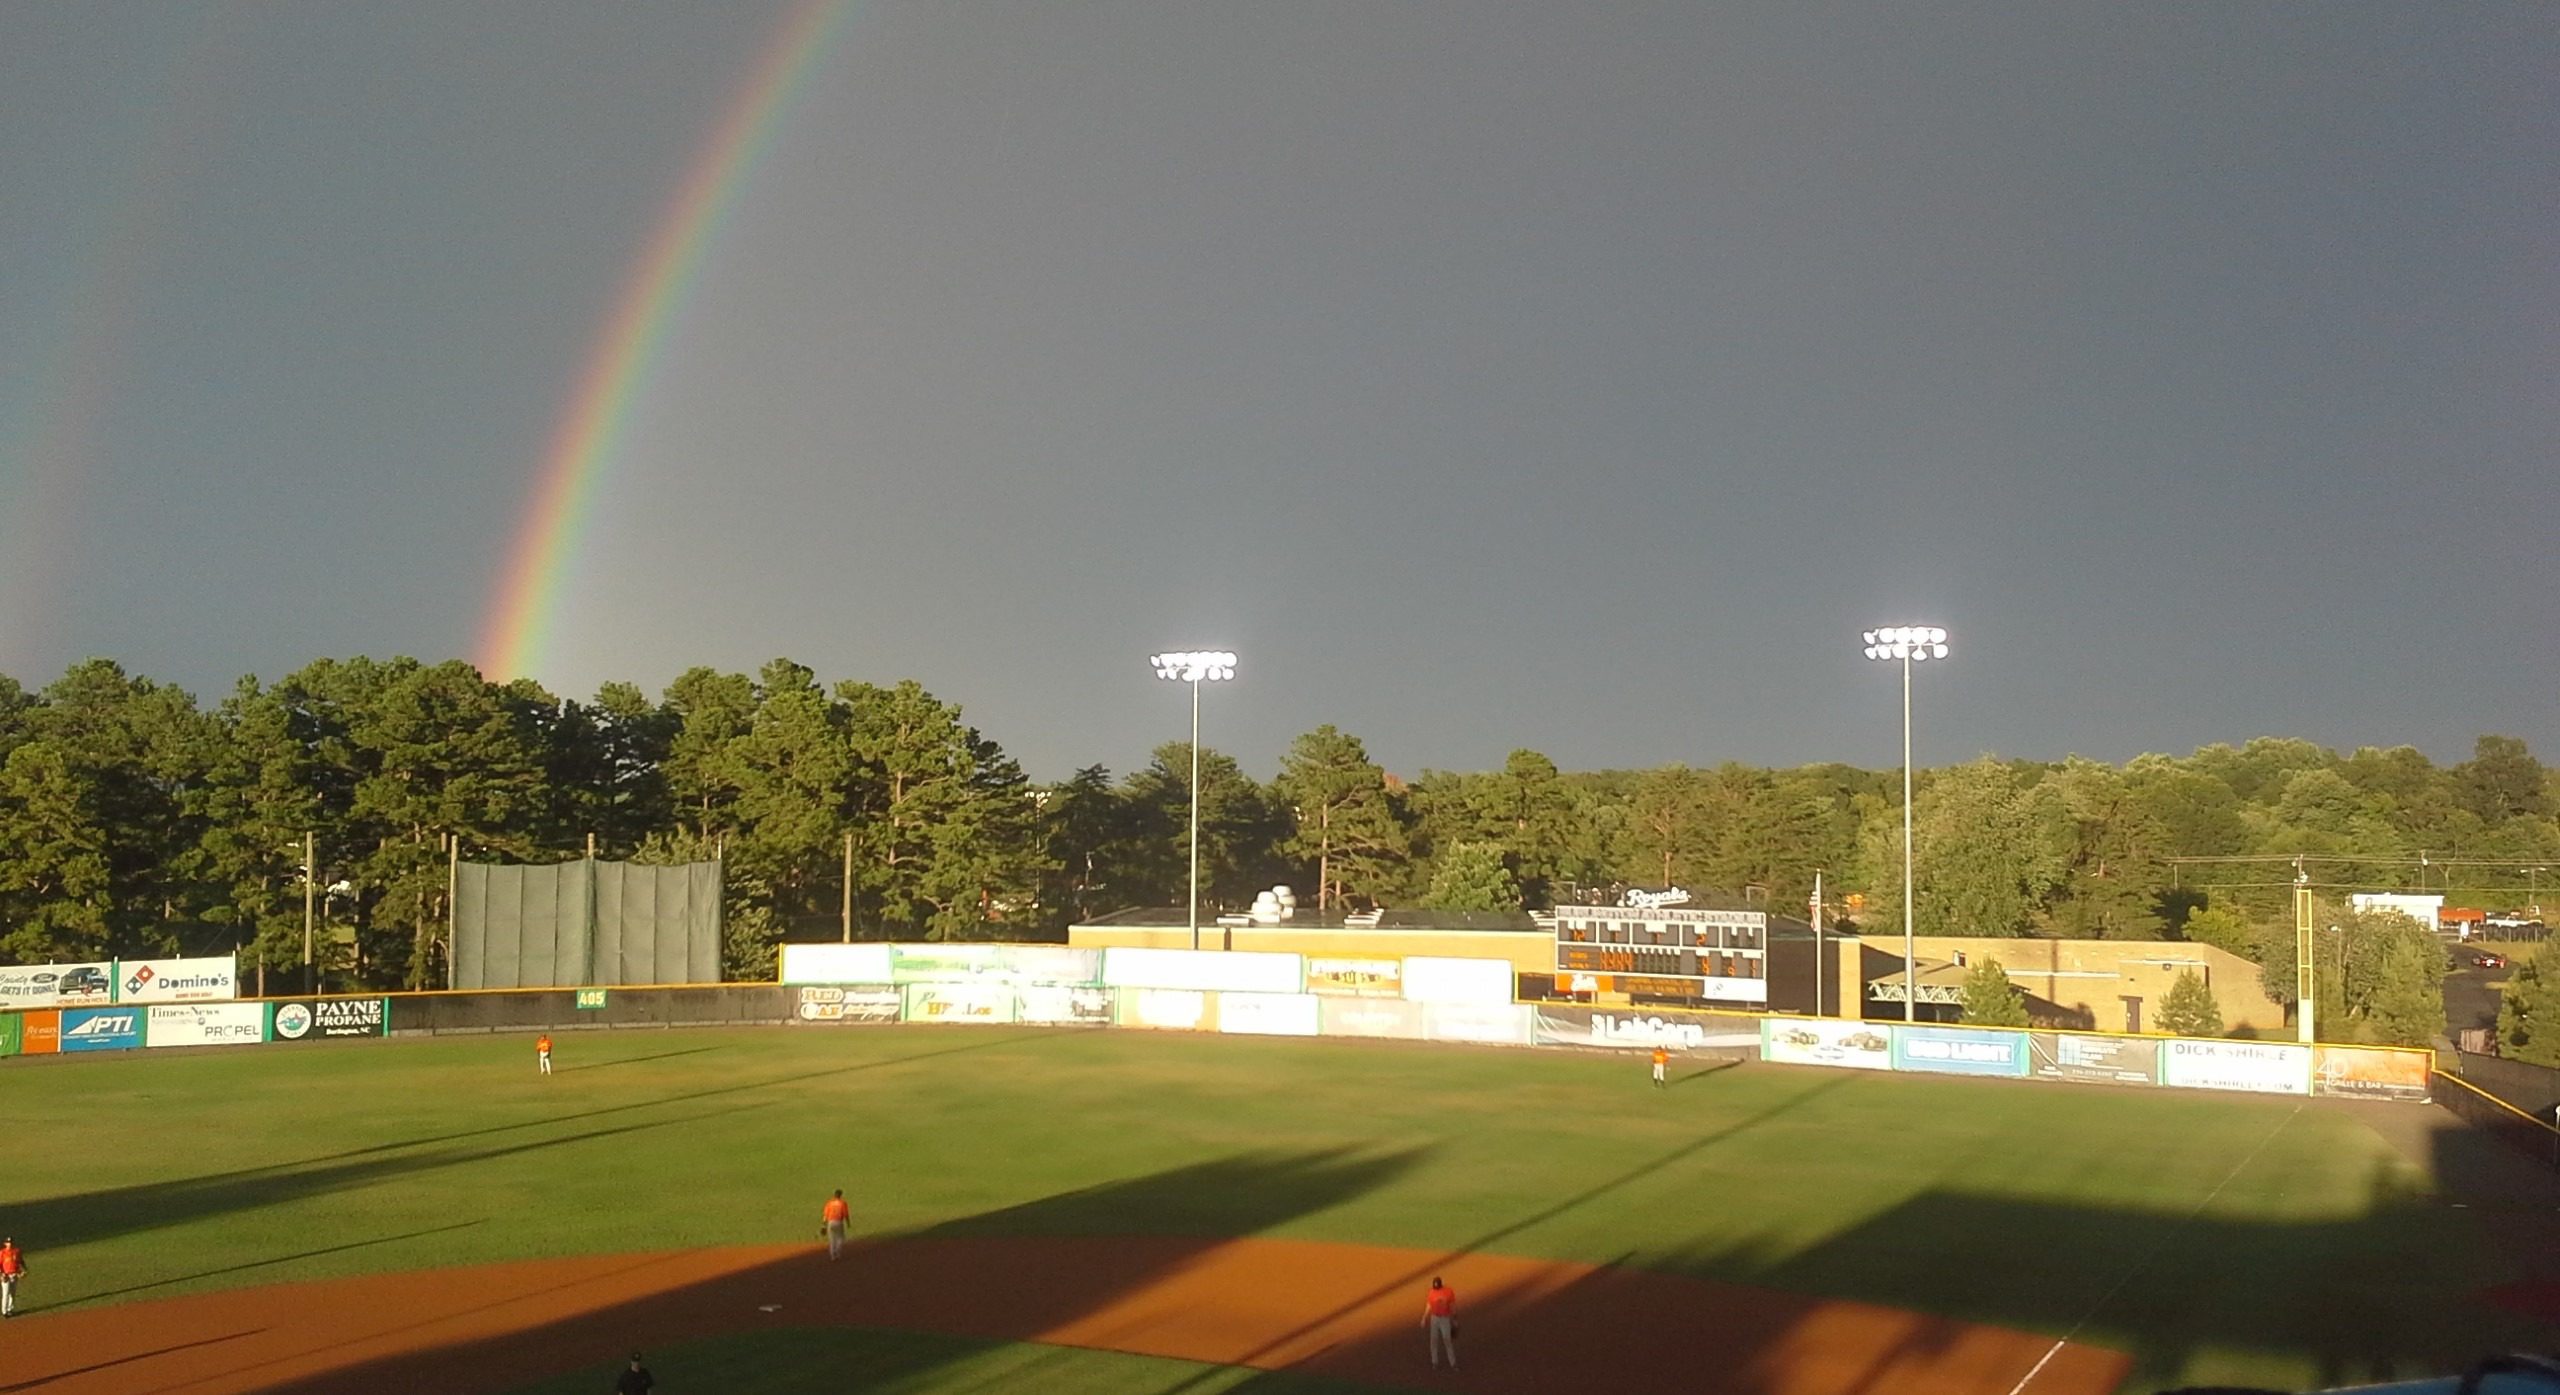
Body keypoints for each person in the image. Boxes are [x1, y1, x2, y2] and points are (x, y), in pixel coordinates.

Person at [1420, 1275, 1457, 1369]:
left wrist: (1454, 1319)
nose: (1436, 1288)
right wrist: (1424, 1317)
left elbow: (1452, 1306)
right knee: (1433, 1340)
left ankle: (1453, 1363)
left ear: (1441, 1285)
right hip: (1434, 1318)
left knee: (1447, 1340)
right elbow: (1429, 1305)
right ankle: (1434, 1362)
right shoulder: (1431, 1292)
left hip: (1445, 1319)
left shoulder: (1448, 1291)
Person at [820, 1188, 850, 1260]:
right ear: (840, 1195)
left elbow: (825, 1215)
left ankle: (833, 1256)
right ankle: (838, 1254)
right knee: (840, 1238)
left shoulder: (829, 1203)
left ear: (834, 1195)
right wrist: (848, 1223)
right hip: (839, 1222)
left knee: (832, 1239)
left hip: (830, 1223)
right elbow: (846, 1215)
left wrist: (823, 1224)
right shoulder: (843, 1203)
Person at [0, 1237, 23, 1318]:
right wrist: (1, 1274)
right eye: (8, 1242)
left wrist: (23, 1270)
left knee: (12, 1294)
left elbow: (20, 1261)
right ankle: (4, 1311)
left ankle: (10, 1310)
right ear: (5, 1244)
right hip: (5, 1276)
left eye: (11, 1242)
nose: (10, 1244)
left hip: (14, 1274)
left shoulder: (16, 1251)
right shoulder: (2, 1252)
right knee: (5, 1293)